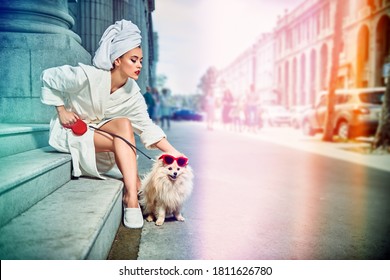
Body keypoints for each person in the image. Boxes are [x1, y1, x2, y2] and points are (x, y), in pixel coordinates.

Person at [40, 20, 182, 229]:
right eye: (133, 60)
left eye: (141, 61)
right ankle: (132, 197)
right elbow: (49, 77)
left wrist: (176, 154)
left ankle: (132, 191)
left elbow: (146, 126)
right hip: (72, 131)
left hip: (102, 141)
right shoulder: (89, 76)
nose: (139, 65)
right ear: (117, 60)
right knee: (124, 135)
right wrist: (62, 111)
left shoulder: (131, 91)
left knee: (125, 125)